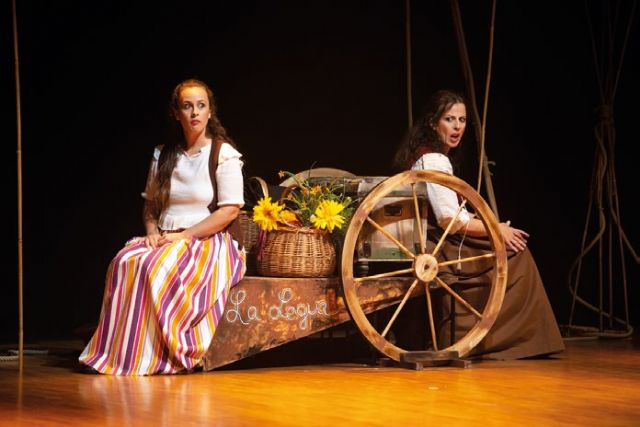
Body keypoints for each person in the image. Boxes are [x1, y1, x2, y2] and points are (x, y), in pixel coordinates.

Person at [79, 78, 246, 375]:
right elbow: (151, 205)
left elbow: (229, 210)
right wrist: (152, 232)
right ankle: (122, 352)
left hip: (207, 240)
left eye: (201, 106)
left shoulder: (223, 154)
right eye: (187, 106)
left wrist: (185, 236)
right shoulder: (164, 154)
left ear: (210, 112)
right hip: (167, 236)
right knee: (124, 263)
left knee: (155, 269)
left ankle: (158, 354)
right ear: (176, 113)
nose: (194, 112)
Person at [392, 89, 564, 359]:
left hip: (440, 238)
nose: (457, 127)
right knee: (516, 253)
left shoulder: (426, 155)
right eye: (449, 119)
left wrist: (486, 222)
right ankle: (516, 341)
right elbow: (450, 220)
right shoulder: (434, 160)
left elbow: (448, 211)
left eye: (462, 120)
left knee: (510, 243)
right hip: (442, 246)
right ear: (433, 123)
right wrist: (496, 229)